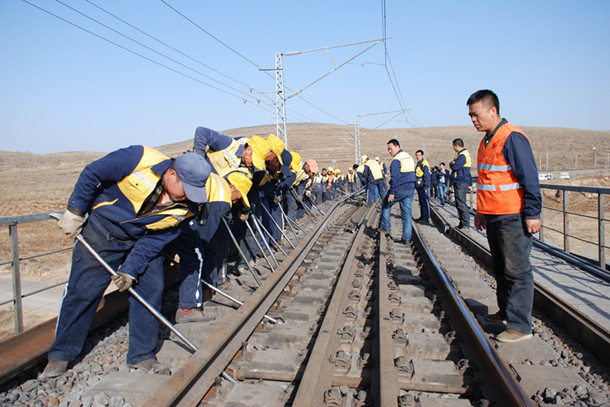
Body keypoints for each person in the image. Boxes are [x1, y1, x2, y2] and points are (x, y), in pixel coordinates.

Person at [43, 147, 212, 378]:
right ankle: (61, 354)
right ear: (172, 174)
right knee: (84, 291)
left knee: (151, 289)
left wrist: (130, 271)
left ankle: (141, 355)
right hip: (102, 231)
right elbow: (93, 172)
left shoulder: (189, 207)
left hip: (141, 240)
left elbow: (155, 241)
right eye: (187, 189)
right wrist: (76, 211)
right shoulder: (139, 159)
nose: (189, 196)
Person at [468, 89, 541, 343]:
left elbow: (529, 178)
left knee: (517, 270)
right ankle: (505, 313)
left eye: (476, 115)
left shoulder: (512, 138)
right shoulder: (487, 140)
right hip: (494, 214)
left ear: (493, 111)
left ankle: (521, 326)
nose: (473, 120)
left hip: (512, 215)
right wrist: (481, 212)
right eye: (470, 116)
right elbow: (488, 180)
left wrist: (532, 213)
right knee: (500, 267)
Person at [380, 139, 416, 243]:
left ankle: (385, 227)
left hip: (401, 188)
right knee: (407, 214)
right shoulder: (408, 156)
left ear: (397, 147)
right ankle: (406, 238)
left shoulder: (396, 160)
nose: (389, 151)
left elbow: (395, 178)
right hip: (410, 189)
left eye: (390, 149)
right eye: (388, 149)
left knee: (386, 205)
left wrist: (392, 193)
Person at [450, 138, 473, 229]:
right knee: (459, 202)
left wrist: (452, 164)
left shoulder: (463, 155)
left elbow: (455, 166)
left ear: (457, 146)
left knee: (461, 203)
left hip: (461, 181)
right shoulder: (463, 154)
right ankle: (462, 223)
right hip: (461, 180)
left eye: (453, 146)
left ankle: (465, 224)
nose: (453, 148)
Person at [414, 150, 430, 223]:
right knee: (421, 202)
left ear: (422, 155)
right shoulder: (418, 163)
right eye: (417, 155)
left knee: (424, 202)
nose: (418, 157)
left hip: (423, 185)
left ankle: (426, 217)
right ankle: (422, 216)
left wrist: (426, 185)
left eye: (419, 155)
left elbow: (426, 175)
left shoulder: (424, 163)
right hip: (419, 185)